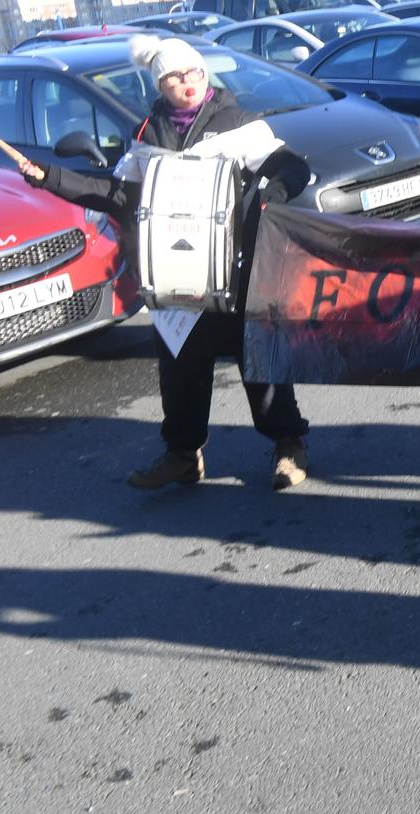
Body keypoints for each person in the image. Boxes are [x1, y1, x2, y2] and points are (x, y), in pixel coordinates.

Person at [16, 36, 313, 491]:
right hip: (178, 272)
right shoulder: (147, 135)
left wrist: (272, 193)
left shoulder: (236, 122)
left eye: (193, 72)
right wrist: (50, 178)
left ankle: (288, 446)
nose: (187, 83)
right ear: (160, 85)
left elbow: (291, 166)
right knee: (180, 366)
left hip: (237, 264)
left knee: (258, 359)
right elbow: (120, 195)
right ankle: (182, 454)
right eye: (174, 77)